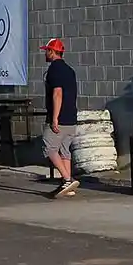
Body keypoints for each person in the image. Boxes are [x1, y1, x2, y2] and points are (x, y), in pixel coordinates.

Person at [42, 39, 80, 199]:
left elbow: (57, 93)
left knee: (48, 147)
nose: (45, 53)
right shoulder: (70, 70)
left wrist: (55, 118)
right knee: (65, 151)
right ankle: (69, 188)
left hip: (61, 117)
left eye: (47, 50)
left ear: (52, 52)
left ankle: (67, 179)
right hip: (71, 117)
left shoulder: (54, 69)